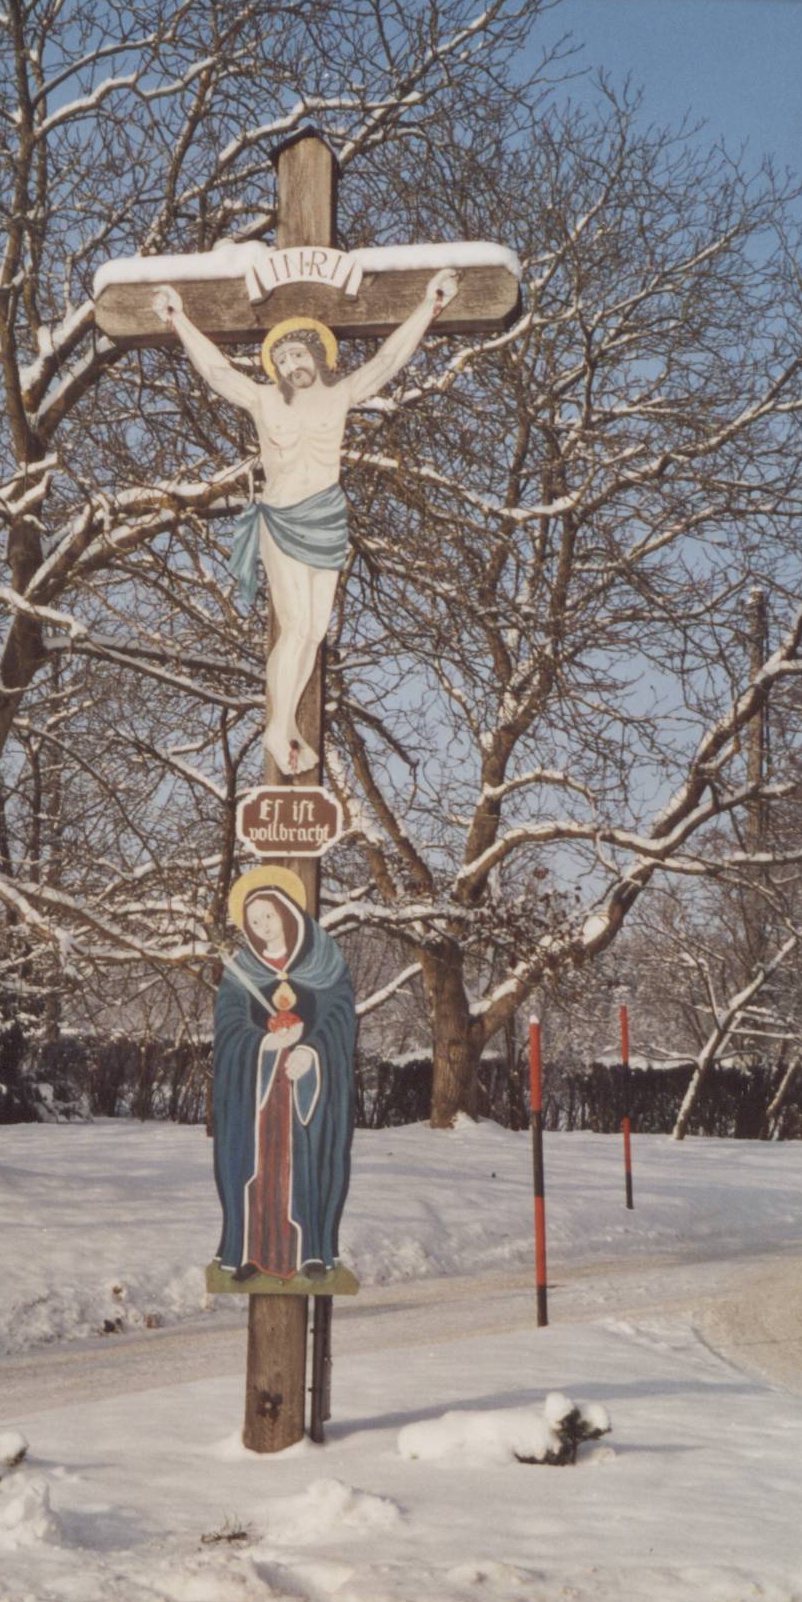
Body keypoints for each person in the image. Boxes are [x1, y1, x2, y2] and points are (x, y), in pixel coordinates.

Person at [154, 270, 459, 773]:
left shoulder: (339, 396)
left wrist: (429, 307)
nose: (291, 364)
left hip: (327, 517)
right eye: (282, 359)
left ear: (317, 356)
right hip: (283, 516)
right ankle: (277, 727)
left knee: (314, 631)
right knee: (294, 625)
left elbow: (388, 360)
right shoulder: (263, 399)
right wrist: (177, 319)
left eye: (298, 354)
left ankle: (287, 721)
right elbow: (216, 372)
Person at [212, 868, 356, 1281]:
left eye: (268, 916)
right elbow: (229, 1024)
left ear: (288, 912)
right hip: (259, 1088)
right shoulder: (242, 968)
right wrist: (263, 1044)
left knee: (305, 1161)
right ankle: (253, 1252)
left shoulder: (323, 959)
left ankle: (310, 1251)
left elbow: (340, 1015)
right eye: (253, 921)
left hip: (306, 1086)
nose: (262, 927)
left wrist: (312, 1050)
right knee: (260, 1165)